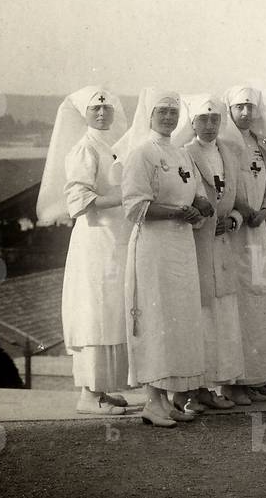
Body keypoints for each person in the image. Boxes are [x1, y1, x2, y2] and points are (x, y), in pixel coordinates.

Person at [117, 89, 213, 428]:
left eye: (174, 113)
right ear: (149, 116)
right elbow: (134, 207)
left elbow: (196, 192)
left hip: (182, 247)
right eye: (163, 112)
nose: (169, 119)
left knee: (179, 321)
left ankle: (169, 398)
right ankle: (151, 401)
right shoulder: (141, 153)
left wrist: (202, 205)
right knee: (156, 322)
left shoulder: (183, 155)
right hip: (154, 249)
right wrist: (176, 212)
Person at [37, 86, 131, 415]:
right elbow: (78, 203)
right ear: (85, 115)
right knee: (95, 312)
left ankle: (102, 389)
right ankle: (88, 395)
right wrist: (125, 197)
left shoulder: (115, 147)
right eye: (95, 110)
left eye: (107, 109)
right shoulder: (83, 149)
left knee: (113, 312)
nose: (103, 114)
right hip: (95, 241)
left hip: (117, 239)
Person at [219, 86, 266, 402]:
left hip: (258, 233)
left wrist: (263, 211)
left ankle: (265, 375)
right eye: (240, 107)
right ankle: (239, 380)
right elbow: (221, 184)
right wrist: (246, 209)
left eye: (251, 107)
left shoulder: (262, 143)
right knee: (241, 307)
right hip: (236, 234)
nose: (246, 113)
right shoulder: (222, 144)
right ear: (230, 110)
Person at [174, 94, 247, 410]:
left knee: (223, 318)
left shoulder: (229, 154)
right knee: (201, 316)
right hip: (197, 245)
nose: (209, 125)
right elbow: (184, 198)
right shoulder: (184, 154)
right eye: (202, 119)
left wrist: (233, 220)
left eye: (215, 119)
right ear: (191, 123)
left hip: (223, 246)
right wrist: (206, 220)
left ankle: (216, 385)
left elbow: (240, 200)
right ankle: (194, 387)